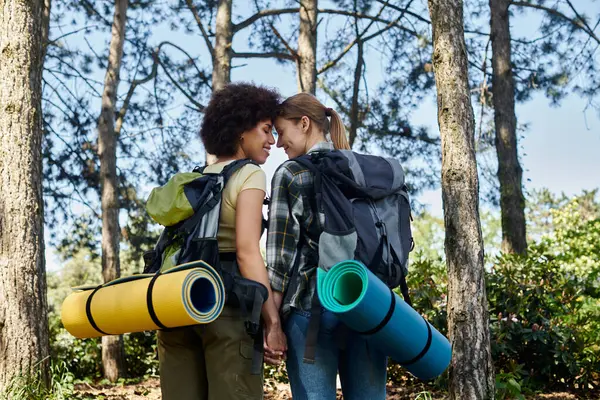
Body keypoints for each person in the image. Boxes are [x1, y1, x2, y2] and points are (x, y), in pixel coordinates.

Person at [157, 83, 287, 400]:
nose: (272, 141)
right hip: (227, 305)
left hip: (176, 300)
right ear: (242, 131)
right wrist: (273, 322)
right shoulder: (249, 175)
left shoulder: (196, 178)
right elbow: (246, 253)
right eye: (266, 130)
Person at [265, 93, 387, 400]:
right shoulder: (360, 170)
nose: (279, 143)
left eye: (281, 132)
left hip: (313, 309)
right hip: (369, 306)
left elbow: (280, 261)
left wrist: (273, 325)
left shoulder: (291, 173)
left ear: (304, 123)